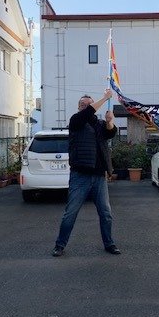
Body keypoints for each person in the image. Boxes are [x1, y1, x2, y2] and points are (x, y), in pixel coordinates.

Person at [52, 89, 121, 257]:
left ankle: (109, 244)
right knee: (71, 213)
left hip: (99, 176)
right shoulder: (76, 120)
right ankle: (60, 245)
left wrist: (109, 121)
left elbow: (110, 133)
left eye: (89, 104)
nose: (86, 106)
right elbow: (88, 113)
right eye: (83, 104)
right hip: (80, 175)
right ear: (79, 107)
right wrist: (105, 98)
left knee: (106, 213)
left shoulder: (98, 124)